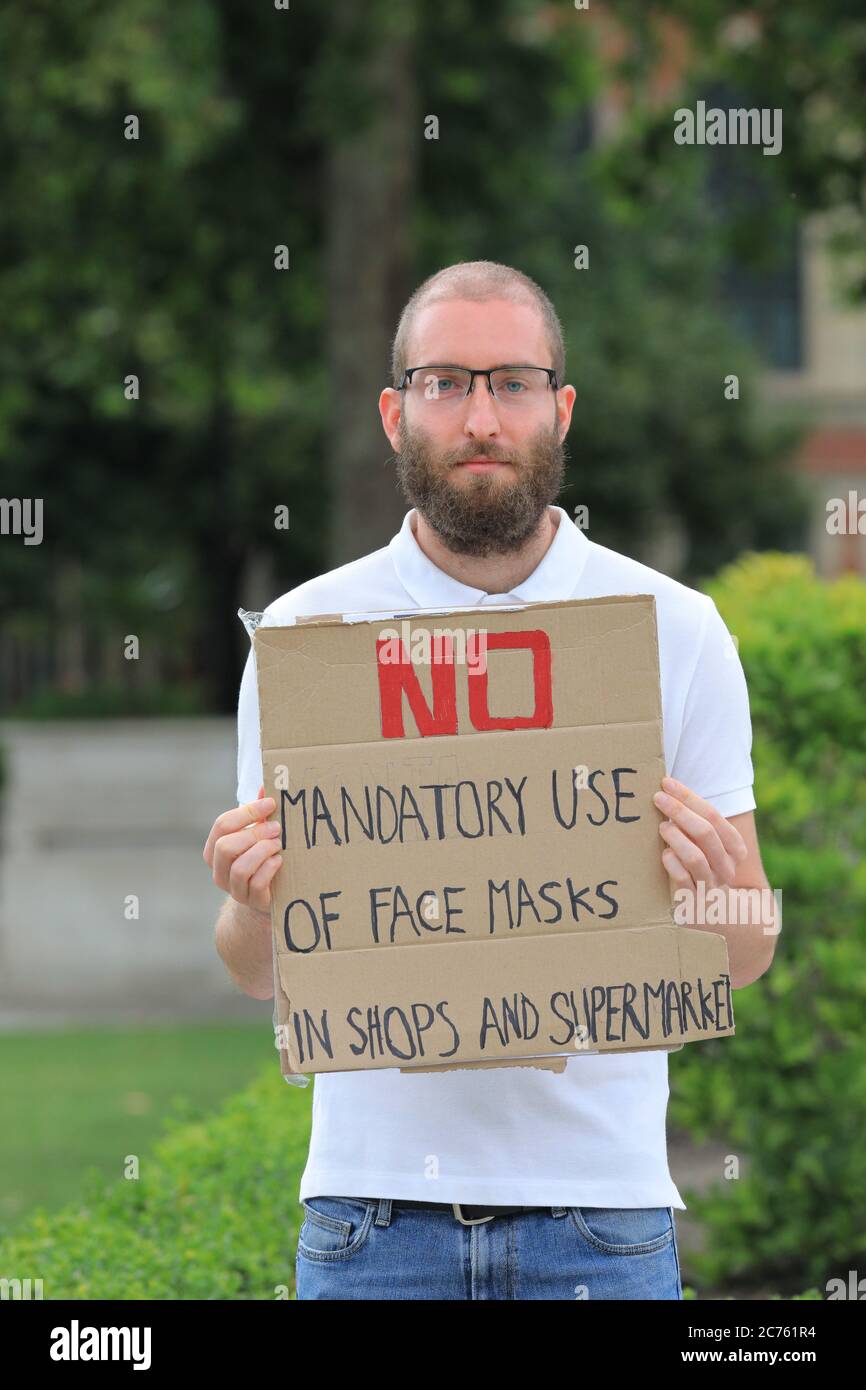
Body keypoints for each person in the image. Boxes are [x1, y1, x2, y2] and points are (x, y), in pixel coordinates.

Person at [204, 260, 776, 1300]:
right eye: (444, 383)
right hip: (370, 1222)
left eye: (510, 382)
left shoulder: (675, 630)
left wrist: (713, 880)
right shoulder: (304, 639)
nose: (478, 415)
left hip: (598, 1222)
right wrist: (251, 900)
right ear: (393, 412)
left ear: (559, 408)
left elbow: (744, 951)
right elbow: (258, 972)